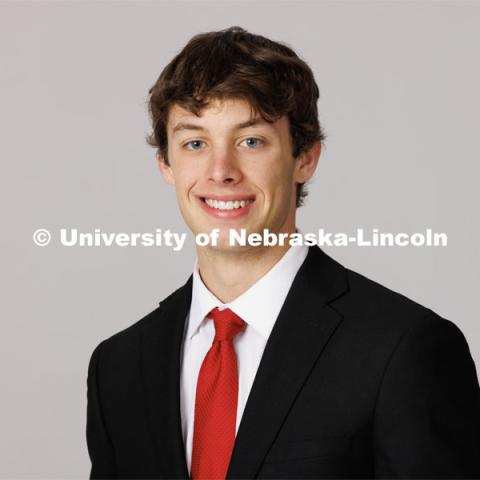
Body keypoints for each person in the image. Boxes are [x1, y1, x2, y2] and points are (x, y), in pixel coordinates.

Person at [86, 26, 480, 479]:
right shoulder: (117, 367)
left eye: (251, 141)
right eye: (195, 143)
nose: (221, 172)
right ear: (166, 166)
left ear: (305, 158)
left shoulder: (403, 351)